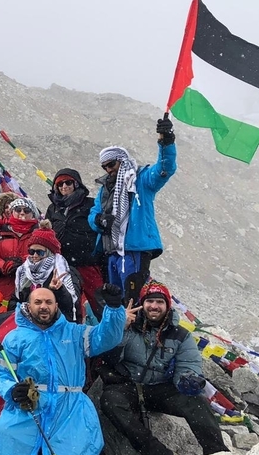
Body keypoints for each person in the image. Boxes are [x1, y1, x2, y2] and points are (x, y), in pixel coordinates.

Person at [0, 284, 131, 455]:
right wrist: (12, 390)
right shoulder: (14, 338)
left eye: (48, 302)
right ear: (28, 306)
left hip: (70, 406)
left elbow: (107, 337)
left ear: (56, 305)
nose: (43, 306)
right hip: (32, 404)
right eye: (37, 302)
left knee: (76, 448)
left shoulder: (75, 333)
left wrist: (114, 308)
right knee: (8, 431)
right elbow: (1, 373)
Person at [99, 281, 226, 455]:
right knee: (111, 401)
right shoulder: (129, 324)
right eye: (150, 301)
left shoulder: (180, 334)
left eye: (160, 302)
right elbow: (110, 358)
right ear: (143, 304)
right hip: (127, 384)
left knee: (197, 403)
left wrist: (187, 379)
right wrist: (120, 328)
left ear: (167, 306)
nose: (154, 306)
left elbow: (188, 363)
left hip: (160, 388)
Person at [89, 117, 177, 304]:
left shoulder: (141, 180)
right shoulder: (104, 188)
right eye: (104, 166)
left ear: (122, 161)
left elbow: (165, 168)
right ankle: (120, 333)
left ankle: (137, 332)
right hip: (111, 251)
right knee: (115, 302)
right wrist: (98, 220)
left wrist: (166, 141)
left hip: (134, 250)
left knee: (133, 300)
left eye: (111, 164)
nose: (108, 169)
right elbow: (93, 213)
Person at [45, 169, 103, 314]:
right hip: (63, 266)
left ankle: (112, 331)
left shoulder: (91, 205)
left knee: (100, 302)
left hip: (88, 262)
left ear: (76, 184)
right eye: (59, 184)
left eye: (68, 182)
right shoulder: (53, 208)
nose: (64, 186)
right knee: (69, 302)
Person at [0, 197, 43, 304]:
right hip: (2, 290)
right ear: (12, 212)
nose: (22, 213)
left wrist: (23, 263)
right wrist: (5, 266)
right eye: (18, 210)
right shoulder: (2, 234)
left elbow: (46, 255)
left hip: (31, 289)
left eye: (26, 210)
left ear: (33, 213)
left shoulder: (39, 235)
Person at [13, 229, 79, 321]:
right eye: (31, 251)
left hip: (58, 324)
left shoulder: (64, 271)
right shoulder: (23, 271)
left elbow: (72, 304)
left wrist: (59, 289)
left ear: (49, 253)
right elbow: (16, 300)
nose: (35, 256)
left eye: (40, 252)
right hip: (29, 324)